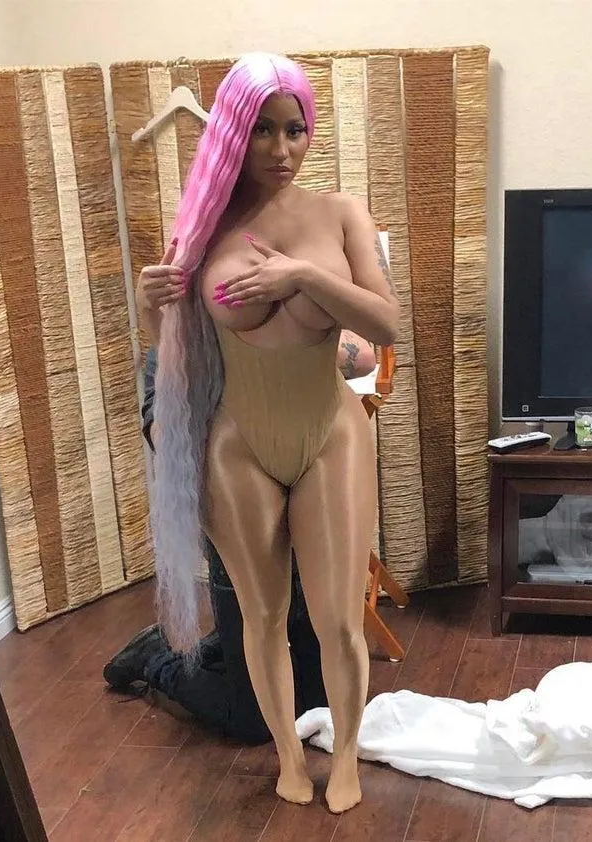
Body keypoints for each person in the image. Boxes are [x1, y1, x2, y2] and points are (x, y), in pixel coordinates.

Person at [145, 53, 399, 813]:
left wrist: (304, 277)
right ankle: (289, 755)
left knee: (337, 620)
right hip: (238, 444)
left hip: (329, 433)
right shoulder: (201, 226)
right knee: (260, 617)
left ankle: (345, 757)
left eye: (295, 129)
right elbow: (174, 353)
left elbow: (385, 324)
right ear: (232, 131)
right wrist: (149, 301)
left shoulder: (340, 212)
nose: (282, 149)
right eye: (262, 130)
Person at [103, 332, 376, 746]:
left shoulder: (288, 315)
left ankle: (220, 647)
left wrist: (275, 343)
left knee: (320, 704)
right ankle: (155, 657)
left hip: (312, 521)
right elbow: (163, 436)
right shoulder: (178, 344)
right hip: (241, 532)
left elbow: (365, 357)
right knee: (253, 722)